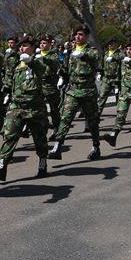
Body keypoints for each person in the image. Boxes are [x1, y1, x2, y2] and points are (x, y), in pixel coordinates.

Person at [0, 38, 50, 181]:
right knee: (9, 136)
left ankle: (42, 163)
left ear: (33, 48)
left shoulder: (38, 61)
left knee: (39, 138)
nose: (21, 48)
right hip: (16, 107)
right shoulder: (16, 64)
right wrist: (6, 93)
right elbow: (10, 81)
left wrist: (30, 61)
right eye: (20, 46)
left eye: (25, 46)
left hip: (35, 108)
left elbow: (41, 70)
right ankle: (1, 167)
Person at [48, 26, 102, 160]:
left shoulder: (92, 51)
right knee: (65, 118)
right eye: (76, 35)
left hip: (87, 91)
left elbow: (96, 59)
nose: (77, 37)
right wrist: (62, 75)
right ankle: (57, 146)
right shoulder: (70, 53)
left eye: (81, 35)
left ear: (87, 36)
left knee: (92, 121)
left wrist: (84, 55)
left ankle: (96, 146)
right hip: (72, 91)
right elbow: (66, 69)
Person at [102, 42, 131, 147]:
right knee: (120, 115)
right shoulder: (123, 61)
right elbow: (118, 71)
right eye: (127, 49)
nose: (128, 51)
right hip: (125, 93)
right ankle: (113, 136)